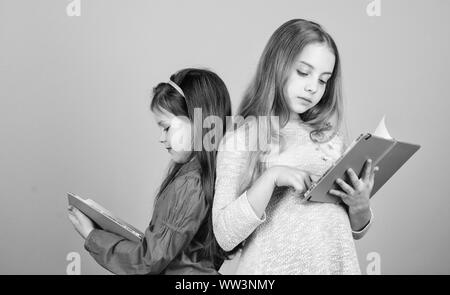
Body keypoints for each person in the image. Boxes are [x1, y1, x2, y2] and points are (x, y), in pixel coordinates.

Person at [212, 19, 377, 274]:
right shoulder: (242, 140)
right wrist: (272, 177)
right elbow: (224, 235)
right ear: (277, 65)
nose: (313, 87)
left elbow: (348, 228)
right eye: (303, 72)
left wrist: (360, 206)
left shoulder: (329, 141)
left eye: (324, 80)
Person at [68, 68, 231, 274]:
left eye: (166, 127)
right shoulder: (207, 176)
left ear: (198, 122)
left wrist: (92, 235)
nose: (162, 138)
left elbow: (148, 261)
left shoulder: (191, 183)